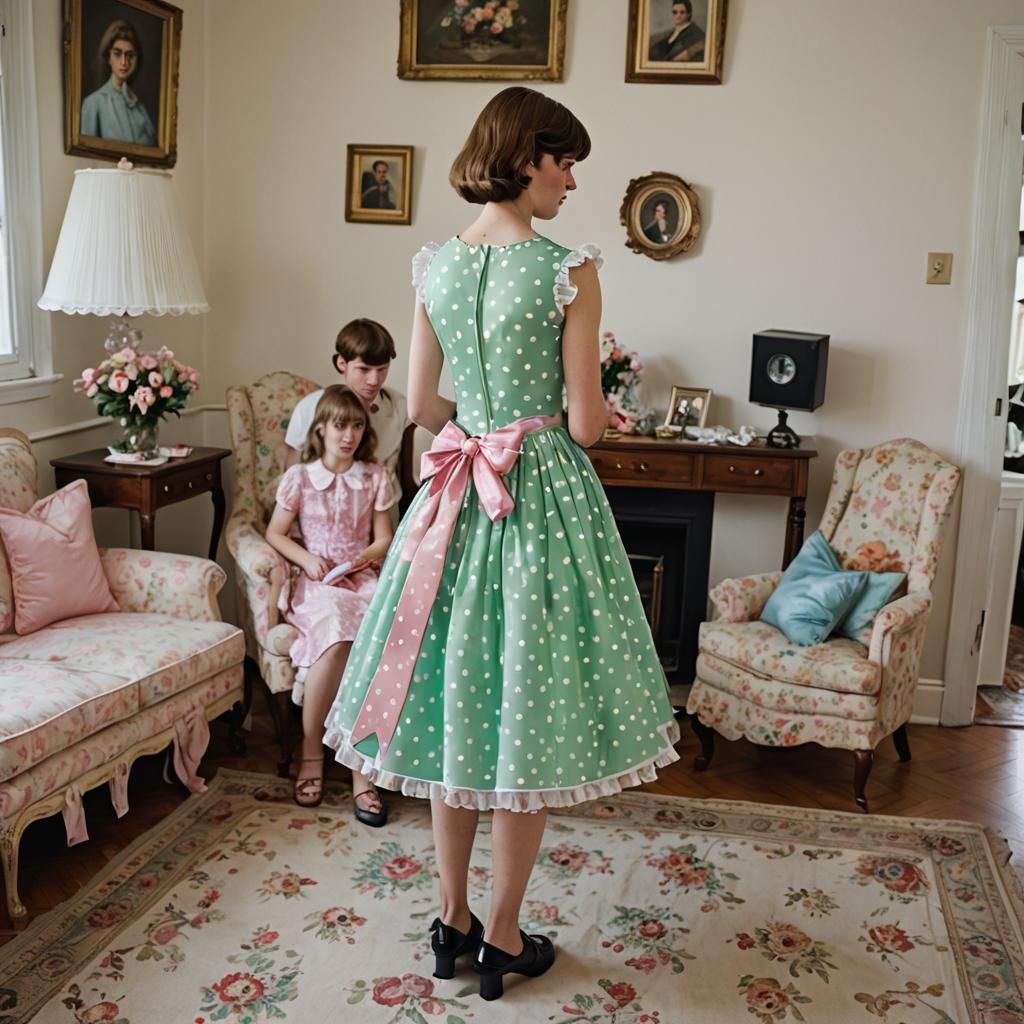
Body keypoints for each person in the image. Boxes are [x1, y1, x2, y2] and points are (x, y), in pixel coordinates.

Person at [323, 86, 680, 1000]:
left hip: (453, 496)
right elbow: (587, 426)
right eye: (566, 163)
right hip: (537, 499)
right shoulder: (569, 269)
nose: (572, 182)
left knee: (457, 710)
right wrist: (571, 414)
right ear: (527, 159)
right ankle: (505, 936)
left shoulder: (435, 265)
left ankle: (451, 921)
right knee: (525, 719)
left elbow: (424, 407)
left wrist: (483, 418)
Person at [267, 386, 396, 823]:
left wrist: (363, 559)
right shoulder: (301, 477)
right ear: (321, 428)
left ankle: (362, 767)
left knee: (381, 636)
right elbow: (275, 533)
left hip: (360, 578)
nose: (349, 435)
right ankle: (312, 754)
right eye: (340, 425)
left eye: (357, 425)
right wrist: (306, 559)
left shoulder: (374, 475)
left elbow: (384, 538)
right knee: (338, 633)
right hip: (317, 583)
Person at [285, 318, 409, 523]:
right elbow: (291, 471)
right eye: (364, 369)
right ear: (342, 363)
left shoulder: (399, 405)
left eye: (382, 369)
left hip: (381, 515)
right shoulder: (311, 407)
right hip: (323, 515)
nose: (374, 380)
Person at [80, 20, 157, 146]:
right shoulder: (93, 103)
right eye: (117, 54)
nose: (124, 62)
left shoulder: (139, 108)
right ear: (108, 57)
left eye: (130, 55)